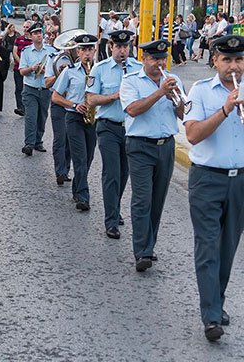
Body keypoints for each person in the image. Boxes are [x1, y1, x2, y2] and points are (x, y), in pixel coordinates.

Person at [184, 35, 244, 342]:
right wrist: (224, 111)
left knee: (228, 248)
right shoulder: (201, 90)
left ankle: (216, 302)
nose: (233, 66)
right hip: (207, 178)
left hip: (240, 180)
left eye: (238, 60)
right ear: (215, 61)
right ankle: (210, 317)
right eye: (227, 60)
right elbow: (193, 135)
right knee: (207, 247)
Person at [119, 39, 185, 272]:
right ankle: (142, 251)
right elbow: (133, 110)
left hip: (166, 145)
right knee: (142, 199)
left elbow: (183, 114)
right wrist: (159, 93)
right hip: (140, 146)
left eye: (162, 58)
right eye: (154, 58)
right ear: (144, 59)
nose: (159, 63)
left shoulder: (171, 81)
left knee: (157, 200)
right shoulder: (130, 81)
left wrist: (175, 100)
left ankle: (149, 244)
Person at [85, 30, 143, 238]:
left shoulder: (137, 68)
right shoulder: (100, 69)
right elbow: (91, 99)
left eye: (126, 47)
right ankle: (111, 221)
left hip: (131, 128)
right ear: (111, 47)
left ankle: (115, 207)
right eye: (118, 47)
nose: (122, 51)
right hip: (108, 126)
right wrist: (114, 96)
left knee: (124, 173)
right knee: (112, 173)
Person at [51, 34, 98, 211]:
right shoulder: (69, 71)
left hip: (92, 119)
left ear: (94, 51)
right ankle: (83, 197)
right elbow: (56, 96)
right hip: (73, 118)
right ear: (78, 51)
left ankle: (77, 188)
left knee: (89, 158)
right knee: (80, 157)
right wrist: (74, 104)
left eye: (90, 50)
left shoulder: (99, 71)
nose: (87, 54)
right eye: (83, 50)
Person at [18, 23, 56, 156]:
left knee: (42, 117)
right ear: (30, 36)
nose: (39, 35)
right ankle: (29, 144)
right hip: (30, 89)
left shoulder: (51, 50)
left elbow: (57, 67)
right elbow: (22, 71)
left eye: (40, 32)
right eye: (35, 33)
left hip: (45, 89)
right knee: (31, 116)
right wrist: (32, 68)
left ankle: (38, 142)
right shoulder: (26, 51)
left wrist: (48, 71)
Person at [44, 29, 71, 185]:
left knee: (70, 140)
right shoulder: (54, 59)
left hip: (75, 104)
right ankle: (60, 171)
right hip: (58, 102)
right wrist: (59, 74)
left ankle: (66, 168)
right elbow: (47, 83)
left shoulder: (80, 61)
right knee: (60, 138)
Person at [12, 21, 32, 116]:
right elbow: (14, 52)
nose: (25, 29)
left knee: (28, 89)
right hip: (18, 68)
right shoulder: (18, 39)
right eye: (24, 27)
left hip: (30, 69)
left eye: (27, 27)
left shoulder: (33, 41)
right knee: (19, 88)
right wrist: (21, 64)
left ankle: (28, 107)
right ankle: (20, 107)